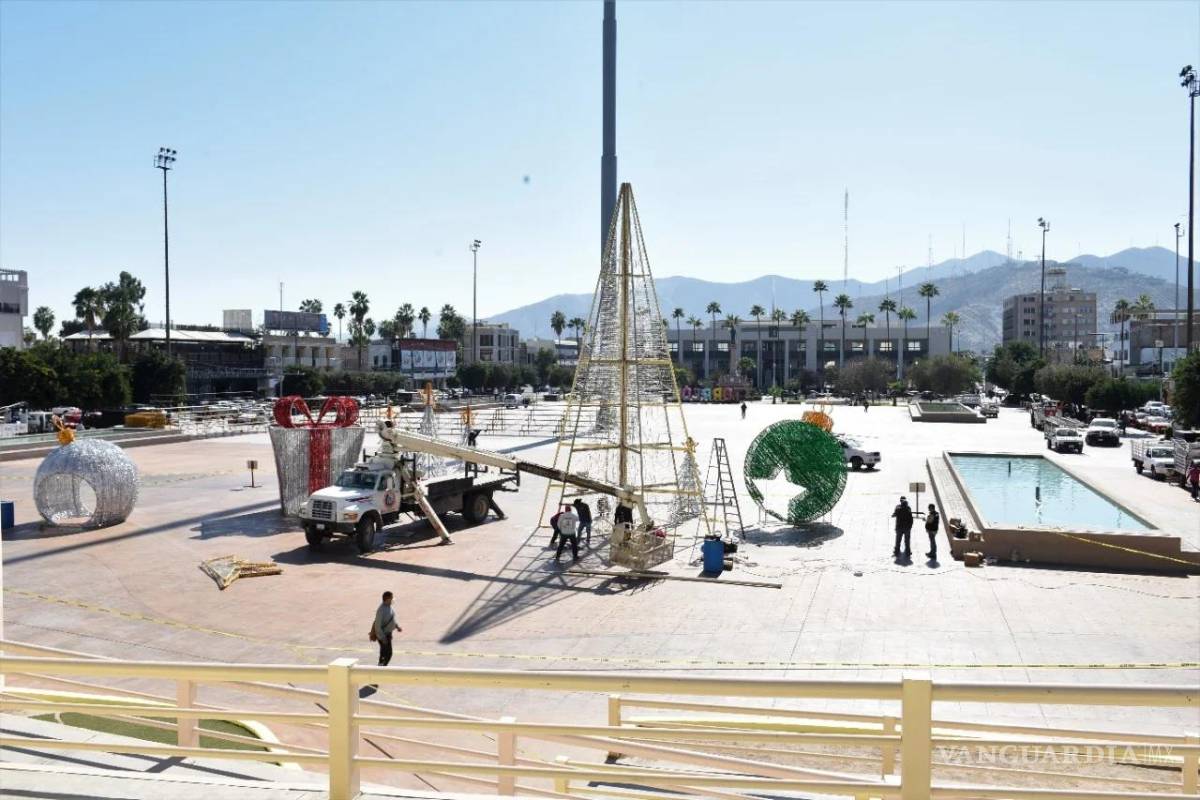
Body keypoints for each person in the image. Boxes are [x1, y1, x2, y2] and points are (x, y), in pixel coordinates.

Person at [371, 591, 400, 667]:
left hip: (387, 634)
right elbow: (377, 626)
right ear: (387, 599)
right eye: (391, 598)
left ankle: (381, 666)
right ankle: (381, 667)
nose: (393, 599)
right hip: (383, 636)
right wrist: (382, 638)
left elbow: (391, 618)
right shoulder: (381, 610)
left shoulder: (388, 606)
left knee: (384, 653)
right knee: (388, 653)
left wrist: (397, 626)